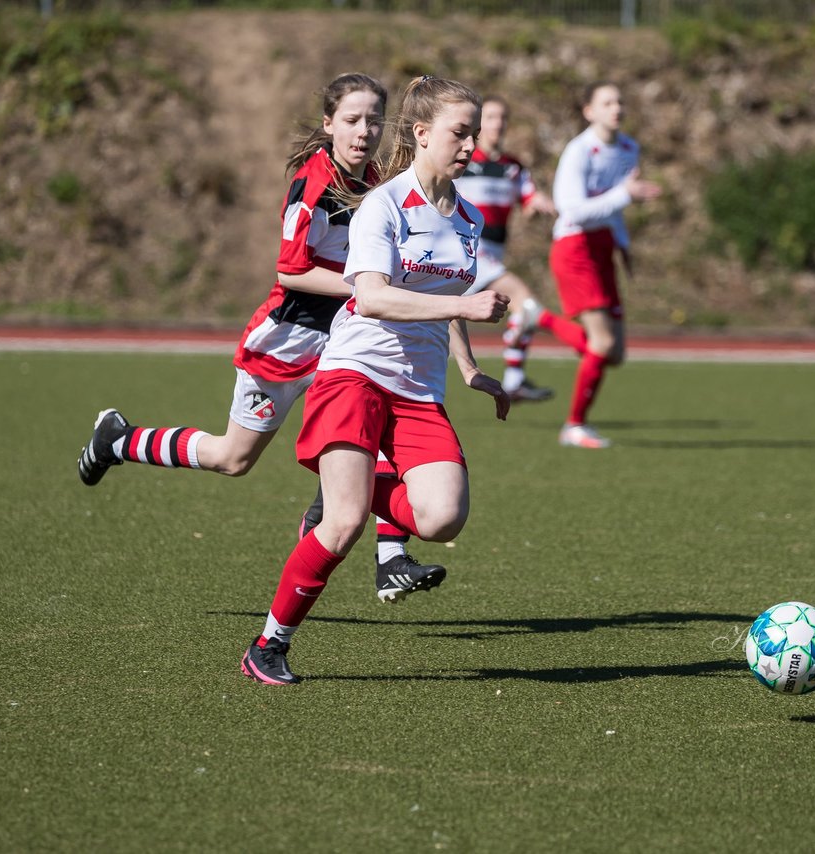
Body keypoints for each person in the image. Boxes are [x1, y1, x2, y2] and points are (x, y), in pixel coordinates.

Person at [74, 73, 442, 586]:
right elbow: (290, 271)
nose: (364, 131)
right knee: (233, 457)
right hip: (286, 341)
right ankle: (120, 440)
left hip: (341, 343)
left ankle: (388, 559)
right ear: (329, 124)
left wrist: (418, 102)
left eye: (375, 121)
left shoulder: (372, 179)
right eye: (353, 120)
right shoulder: (313, 184)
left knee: (379, 424)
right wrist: (362, 285)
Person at [240, 75, 510, 686]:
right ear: (421, 133)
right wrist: (464, 309)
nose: (471, 146)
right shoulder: (383, 205)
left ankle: (358, 487)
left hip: (417, 390)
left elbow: (446, 300)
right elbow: (372, 298)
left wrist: (469, 369)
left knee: (443, 519)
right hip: (354, 373)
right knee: (343, 524)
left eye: (474, 135)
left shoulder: (467, 217)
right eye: (458, 133)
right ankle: (269, 645)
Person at [539, 81, 661, 449]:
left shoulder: (628, 149)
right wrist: (625, 194)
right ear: (588, 111)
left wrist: (623, 246)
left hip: (603, 246)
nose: (616, 108)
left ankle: (538, 318)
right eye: (607, 102)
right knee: (603, 342)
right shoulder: (578, 152)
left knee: (615, 352)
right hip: (574, 246)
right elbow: (571, 210)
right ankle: (574, 426)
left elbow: (614, 210)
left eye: (620, 100)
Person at [455, 95, 557, 402]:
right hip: (471, 251)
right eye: (491, 117)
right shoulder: (463, 161)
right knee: (524, 302)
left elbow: (529, 197)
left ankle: (513, 379)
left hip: (495, 252)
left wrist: (540, 204)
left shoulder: (513, 167)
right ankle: (513, 380)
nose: (497, 124)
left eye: (502, 118)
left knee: (442, 321)